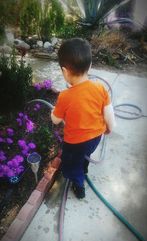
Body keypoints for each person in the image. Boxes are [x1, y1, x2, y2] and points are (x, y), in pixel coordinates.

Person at [51, 38, 116, 199]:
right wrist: (109, 129)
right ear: (90, 66)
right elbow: (109, 114)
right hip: (95, 139)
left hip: (75, 143)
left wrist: (54, 111)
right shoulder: (100, 88)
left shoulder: (65, 96)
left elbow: (55, 120)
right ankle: (84, 167)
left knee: (72, 164)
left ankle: (79, 185)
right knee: (85, 154)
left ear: (65, 71)